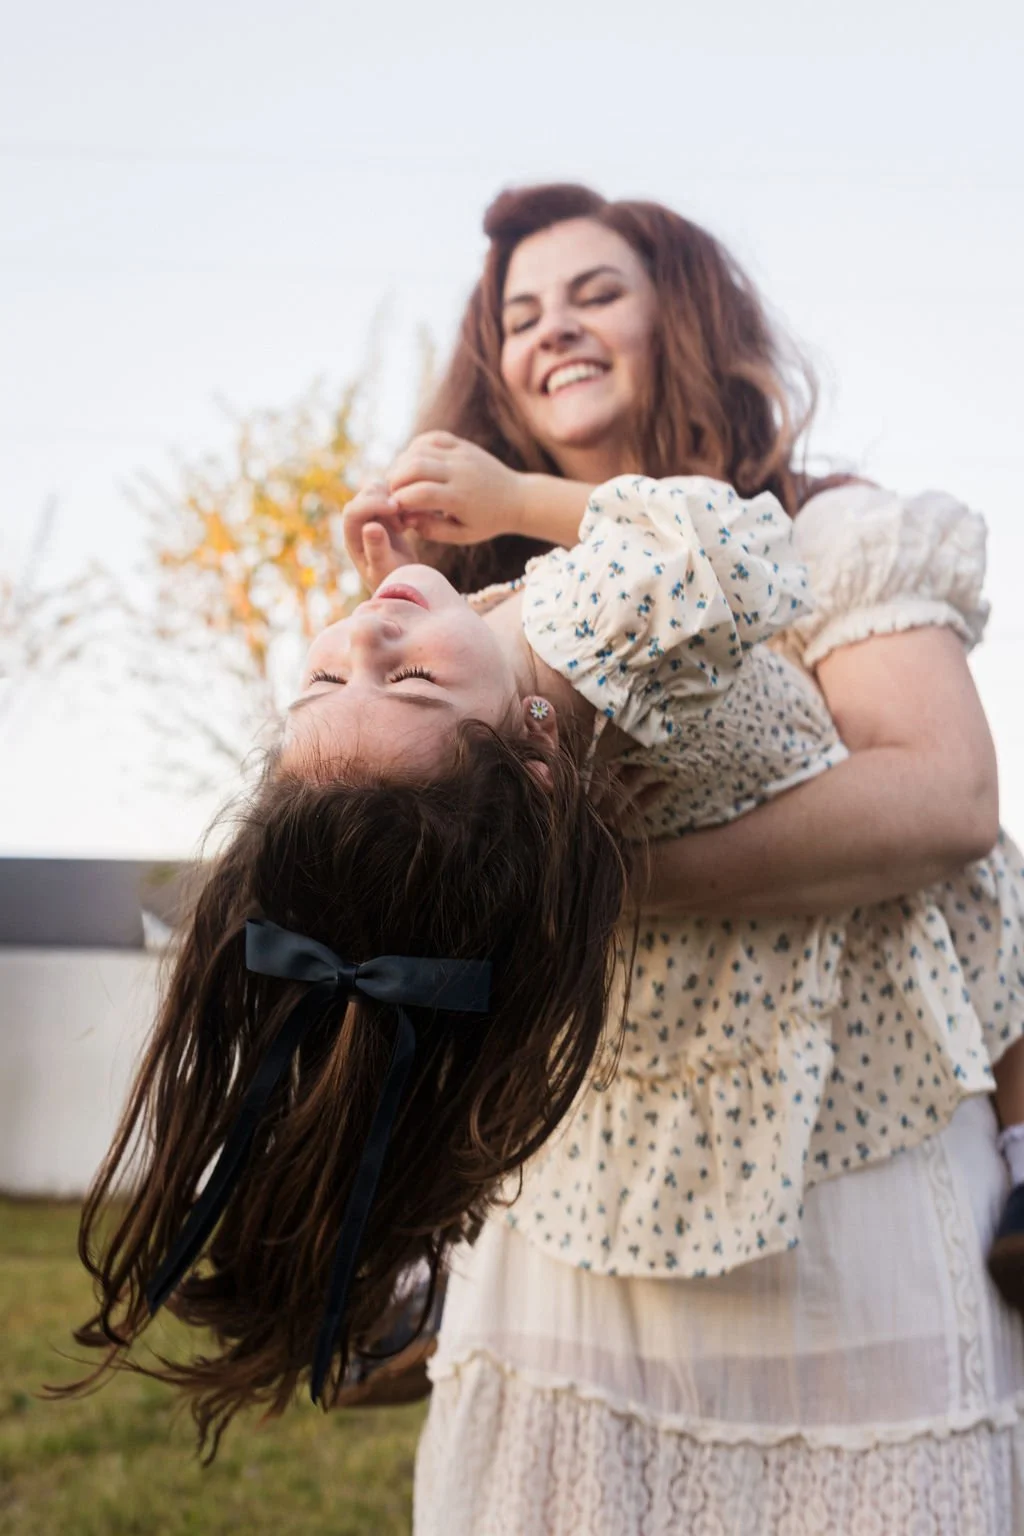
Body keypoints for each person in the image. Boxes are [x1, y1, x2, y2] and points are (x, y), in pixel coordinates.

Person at [342, 183, 1024, 1532]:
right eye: (520, 315)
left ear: (684, 318)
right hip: (585, 1177)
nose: (554, 330)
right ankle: (396, 1236)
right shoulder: (496, 602)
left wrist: (586, 886)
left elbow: (945, 798)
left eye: (597, 293)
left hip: (848, 1160)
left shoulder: (831, 531)